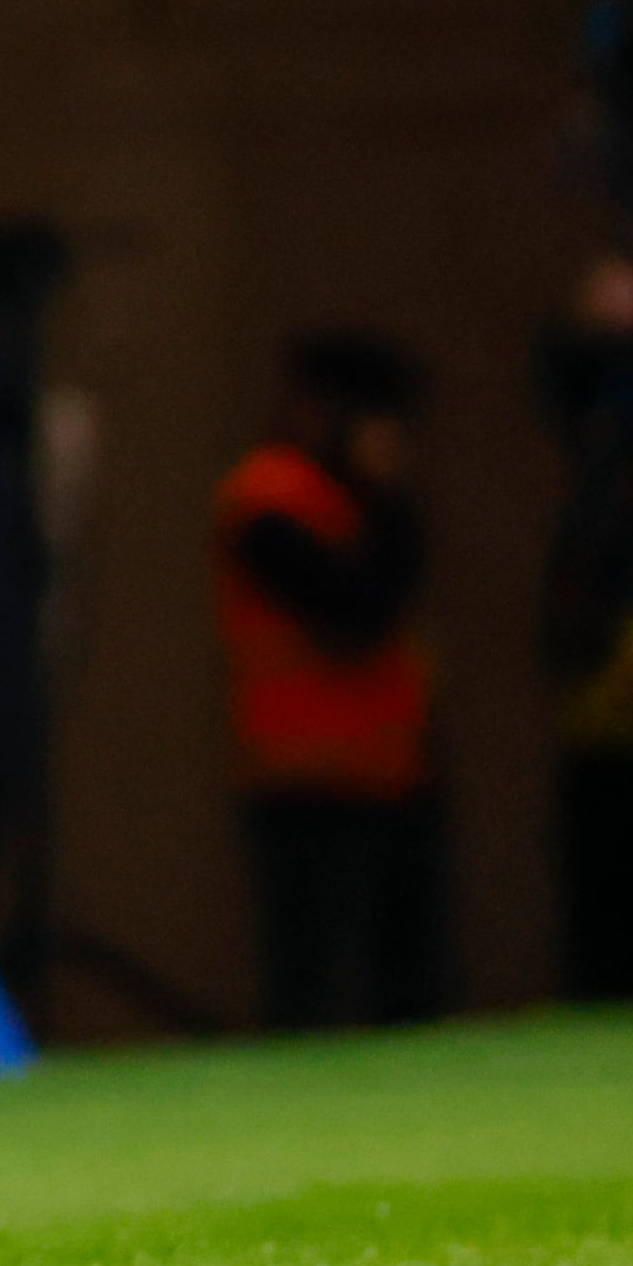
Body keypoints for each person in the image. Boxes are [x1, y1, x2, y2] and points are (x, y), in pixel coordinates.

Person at [213, 331, 452, 1033]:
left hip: (391, 771)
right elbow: (356, 611)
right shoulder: (267, 496)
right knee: (310, 987)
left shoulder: (359, 503)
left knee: (413, 984)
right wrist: (388, 507)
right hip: (304, 777)